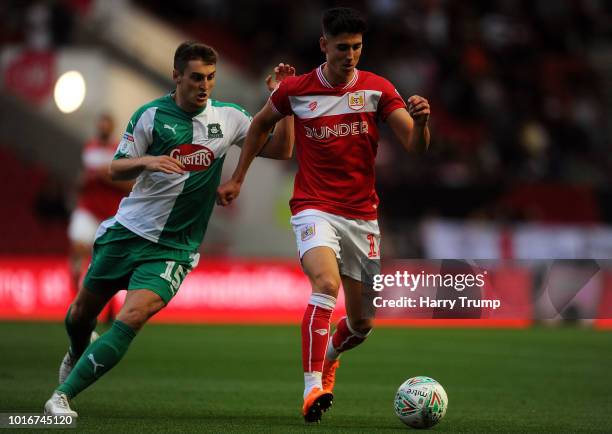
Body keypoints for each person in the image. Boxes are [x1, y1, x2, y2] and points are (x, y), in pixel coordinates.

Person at [44, 41, 295, 417]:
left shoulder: (228, 118)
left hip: (174, 247)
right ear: (177, 75)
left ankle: (62, 396)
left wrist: (284, 102)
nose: (204, 85)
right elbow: (115, 168)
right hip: (128, 231)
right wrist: (149, 161)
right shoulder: (149, 116)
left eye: (210, 77)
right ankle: (77, 351)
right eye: (196, 77)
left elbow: (281, 150)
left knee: (132, 316)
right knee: (80, 315)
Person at [217, 7, 430, 423]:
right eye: (342, 47)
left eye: (356, 47)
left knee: (363, 322)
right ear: (323, 45)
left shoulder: (377, 89)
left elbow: (414, 145)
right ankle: (312, 386)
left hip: (362, 217)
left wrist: (422, 124)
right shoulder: (296, 90)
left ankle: (330, 357)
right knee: (325, 283)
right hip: (314, 207)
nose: (350, 55)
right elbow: (260, 125)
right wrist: (238, 177)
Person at [68, 113, 133, 321]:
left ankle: (111, 307)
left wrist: (106, 177)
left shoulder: (120, 152)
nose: (103, 128)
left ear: (112, 127)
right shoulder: (89, 149)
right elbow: (83, 179)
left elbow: (130, 185)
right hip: (87, 209)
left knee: (107, 262)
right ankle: (75, 305)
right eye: (101, 124)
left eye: (107, 125)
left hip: (111, 213)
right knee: (78, 253)